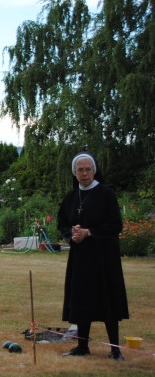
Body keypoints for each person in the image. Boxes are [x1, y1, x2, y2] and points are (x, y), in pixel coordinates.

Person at [58, 152, 128, 360]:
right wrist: (72, 234)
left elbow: (116, 225)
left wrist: (89, 232)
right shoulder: (71, 197)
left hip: (104, 257)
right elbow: (62, 224)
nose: (84, 173)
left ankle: (115, 349)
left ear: (94, 171)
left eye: (88, 169)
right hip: (80, 257)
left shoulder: (106, 194)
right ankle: (82, 346)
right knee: (81, 299)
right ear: (75, 172)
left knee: (107, 300)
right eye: (80, 170)